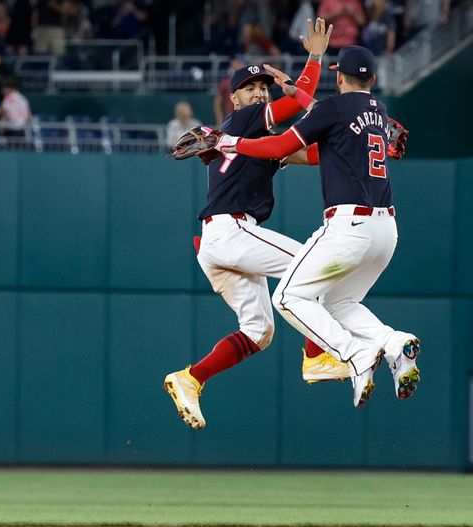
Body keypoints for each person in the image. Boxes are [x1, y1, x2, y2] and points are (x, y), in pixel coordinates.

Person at [163, 18, 344, 430]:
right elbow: (300, 101)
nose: (260, 91)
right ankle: (316, 355)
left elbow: (309, 154)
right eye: (251, 87)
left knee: (259, 330)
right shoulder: (242, 120)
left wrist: (359, 146)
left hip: (220, 244)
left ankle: (190, 378)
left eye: (262, 86)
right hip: (232, 231)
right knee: (312, 265)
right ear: (235, 97)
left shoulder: (252, 141)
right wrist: (315, 58)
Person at [217, 46, 422, 408]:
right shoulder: (379, 111)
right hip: (386, 231)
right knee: (337, 302)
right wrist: (293, 88)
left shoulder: (332, 109)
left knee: (287, 298)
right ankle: (395, 345)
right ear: (372, 80)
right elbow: (325, 117)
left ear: (338, 77)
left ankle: (356, 354)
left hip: (349, 227)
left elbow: (285, 141)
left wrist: (229, 142)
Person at [214, 57, 246, 127]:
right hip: (230, 120)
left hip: (247, 119)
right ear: (232, 63)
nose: (241, 65)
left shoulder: (250, 81)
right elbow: (218, 103)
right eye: (238, 62)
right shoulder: (225, 82)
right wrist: (220, 121)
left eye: (242, 63)